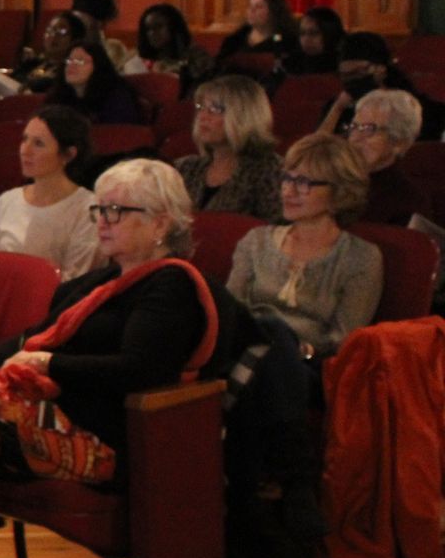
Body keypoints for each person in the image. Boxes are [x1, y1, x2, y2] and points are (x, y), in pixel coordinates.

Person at [0, 159, 215, 487]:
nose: (102, 222)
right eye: (100, 210)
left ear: (159, 225)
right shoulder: (100, 281)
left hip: (96, 435)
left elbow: (138, 369)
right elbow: (37, 334)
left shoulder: (170, 285)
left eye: (115, 211)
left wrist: (48, 363)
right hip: (47, 413)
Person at [228, 134, 382, 362]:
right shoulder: (256, 241)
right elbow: (231, 310)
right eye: (286, 179)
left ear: (339, 191)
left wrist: (301, 351)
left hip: (307, 364)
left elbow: (343, 340)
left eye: (303, 183)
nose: (288, 191)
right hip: (247, 349)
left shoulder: (361, 258)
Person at [0, 106, 101, 278]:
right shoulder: (7, 200)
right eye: (25, 139)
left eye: (38, 143)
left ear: (68, 155)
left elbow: (78, 281)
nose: (25, 150)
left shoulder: (88, 208)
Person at [175, 76, 285, 220]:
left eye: (215, 109)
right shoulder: (186, 168)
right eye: (201, 108)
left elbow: (277, 228)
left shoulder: (270, 170)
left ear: (244, 116)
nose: (202, 116)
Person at [317, 31, 443, 142]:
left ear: (381, 68)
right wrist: (337, 108)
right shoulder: (340, 108)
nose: (353, 79)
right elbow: (316, 150)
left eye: (358, 72)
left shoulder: (412, 104)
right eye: (346, 75)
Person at [343, 87, 431, 224]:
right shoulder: (329, 181)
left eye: (369, 129)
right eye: (354, 127)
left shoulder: (407, 202)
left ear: (399, 141)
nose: (355, 138)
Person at [48, 37, 142, 124]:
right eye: (69, 60)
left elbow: (120, 132)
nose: (71, 65)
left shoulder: (116, 98)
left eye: (80, 61)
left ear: (98, 66)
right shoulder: (59, 98)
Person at [214, 0, 298, 77]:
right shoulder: (234, 40)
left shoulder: (286, 41)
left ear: (274, 11)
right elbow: (218, 68)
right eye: (250, 6)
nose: (252, 10)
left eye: (259, 6)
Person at [127, 3, 211, 89]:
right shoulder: (138, 59)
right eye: (148, 29)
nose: (152, 33)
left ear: (173, 27)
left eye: (158, 27)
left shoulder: (196, 57)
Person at [15, 10, 87, 93]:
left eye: (61, 31)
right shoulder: (35, 62)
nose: (53, 35)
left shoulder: (71, 72)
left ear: (75, 39)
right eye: (50, 30)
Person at [70, 0, 130, 71]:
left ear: (101, 23)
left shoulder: (114, 49)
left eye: (83, 23)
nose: (77, 27)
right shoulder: (66, 47)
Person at [290, 6, 344, 76]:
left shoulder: (342, 68)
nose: (306, 39)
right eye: (302, 33)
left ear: (330, 34)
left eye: (314, 33)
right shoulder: (293, 65)